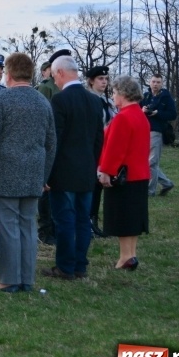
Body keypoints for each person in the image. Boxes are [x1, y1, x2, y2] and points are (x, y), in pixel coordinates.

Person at [0, 53, 56, 293]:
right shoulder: (43, 102)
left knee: (8, 227)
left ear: (8, 74)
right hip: (33, 175)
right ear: (31, 74)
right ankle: (26, 279)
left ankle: (9, 279)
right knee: (28, 227)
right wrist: (43, 177)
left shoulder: (1, 100)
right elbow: (51, 144)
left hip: (5, 173)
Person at [41, 54, 103, 281]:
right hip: (86, 171)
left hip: (64, 173)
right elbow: (99, 140)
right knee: (82, 220)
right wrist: (92, 164)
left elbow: (54, 141)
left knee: (65, 221)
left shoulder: (60, 101)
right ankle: (80, 265)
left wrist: (47, 174)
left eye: (54, 76)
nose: (54, 81)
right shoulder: (95, 101)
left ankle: (65, 267)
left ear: (60, 73)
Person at [97, 75, 150, 270]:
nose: (113, 96)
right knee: (133, 217)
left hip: (124, 176)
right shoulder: (140, 116)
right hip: (140, 175)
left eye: (114, 92)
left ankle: (125, 257)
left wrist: (105, 171)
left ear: (123, 93)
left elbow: (115, 148)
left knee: (123, 217)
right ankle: (131, 254)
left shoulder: (123, 117)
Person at [85, 65, 118, 238]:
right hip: (91, 147)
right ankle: (87, 221)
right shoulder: (87, 99)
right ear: (91, 81)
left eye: (106, 79)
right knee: (91, 185)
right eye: (100, 79)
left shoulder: (107, 101)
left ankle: (94, 220)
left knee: (98, 185)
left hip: (105, 147)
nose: (104, 82)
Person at [35, 59, 60, 246]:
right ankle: (45, 228)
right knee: (46, 186)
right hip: (49, 141)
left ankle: (55, 225)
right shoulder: (46, 87)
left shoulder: (60, 86)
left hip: (60, 142)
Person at [140, 73, 177, 196]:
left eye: (158, 82)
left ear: (162, 84)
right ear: (149, 82)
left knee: (152, 162)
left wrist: (157, 113)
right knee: (147, 162)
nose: (155, 84)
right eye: (153, 82)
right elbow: (136, 110)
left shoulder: (166, 98)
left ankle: (150, 191)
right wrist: (142, 110)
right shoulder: (145, 96)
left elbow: (173, 114)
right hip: (143, 132)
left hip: (156, 131)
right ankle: (166, 183)